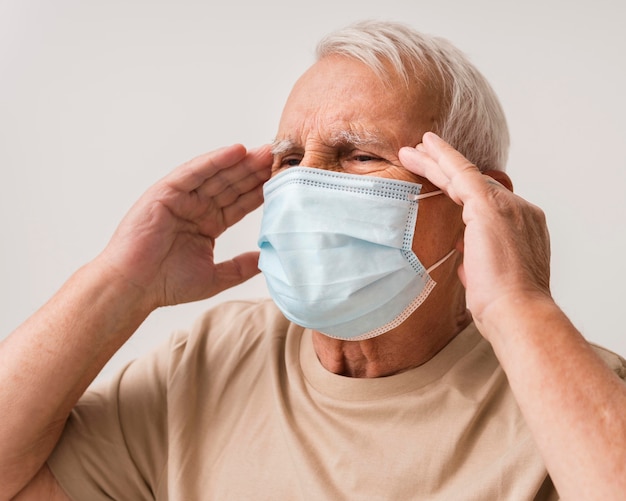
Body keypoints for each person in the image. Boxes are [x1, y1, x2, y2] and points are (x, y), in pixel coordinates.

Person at [2, 20, 625, 500]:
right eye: (291, 159)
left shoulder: (565, 387)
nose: (306, 186)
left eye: (357, 155)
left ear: (477, 201)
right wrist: (121, 283)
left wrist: (520, 306)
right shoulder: (214, 359)